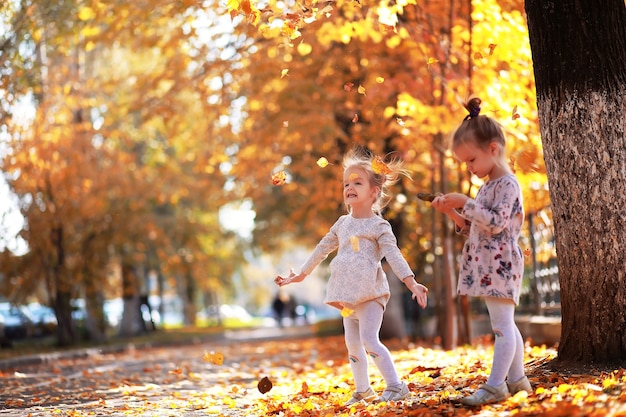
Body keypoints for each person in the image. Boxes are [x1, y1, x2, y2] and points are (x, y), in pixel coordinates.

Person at [274, 146, 429, 406]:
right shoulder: (342, 224)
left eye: (357, 182)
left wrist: (411, 282)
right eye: (346, 183)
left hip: (370, 295)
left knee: (370, 341)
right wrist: (301, 274)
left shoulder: (379, 226)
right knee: (353, 346)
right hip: (347, 299)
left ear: (374, 192)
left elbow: (394, 255)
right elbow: (322, 249)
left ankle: (395, 385)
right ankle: (363, 390)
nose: (350, 187)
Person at [430, 97, 532, 406]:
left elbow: (498, 223)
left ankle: (495, 385)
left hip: (502, 265)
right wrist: (452, 211)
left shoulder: (507, 184)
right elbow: (475, 227)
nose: (469, 168)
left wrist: (464, 201)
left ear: (493, 149)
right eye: (465, 163)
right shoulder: (487, 185)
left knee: (502, 327)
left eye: (471, 161)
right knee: (505, 324)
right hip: (488, 267)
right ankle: (518, 381)